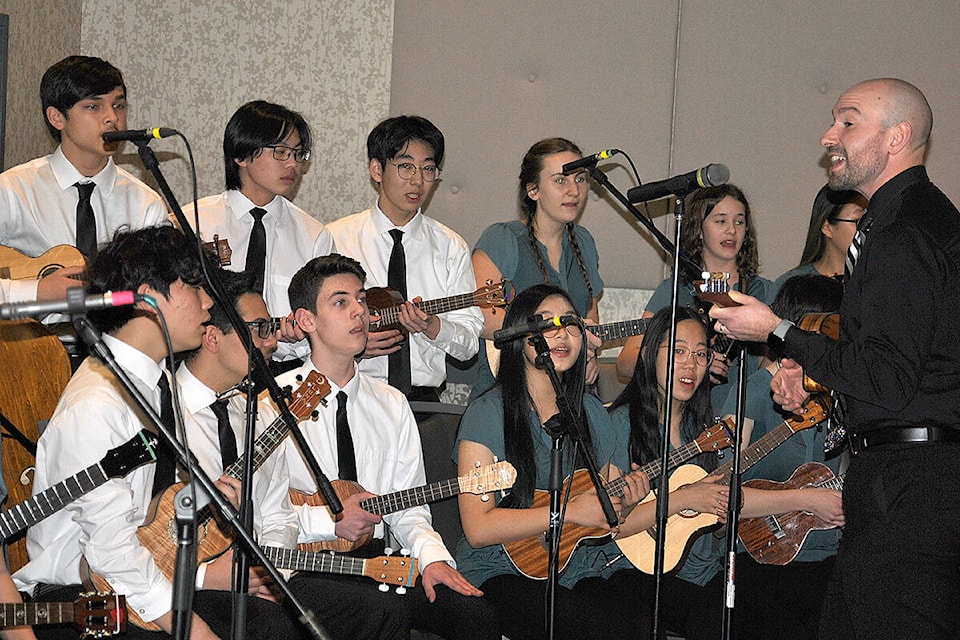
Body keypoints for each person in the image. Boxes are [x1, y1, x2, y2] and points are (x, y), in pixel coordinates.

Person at [710, 78, 960, 639]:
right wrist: (821, 385)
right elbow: (906, 369)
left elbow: (889, 381)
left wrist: (776, 329)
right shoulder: (913, 222)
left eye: (848, 122)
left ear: (897, 137)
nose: (829, 136)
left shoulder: (905, 233)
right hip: (904, 486)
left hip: (909, 496)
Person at [176, 267, 404, 640]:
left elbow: (278, 517)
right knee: (274, 628)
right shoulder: (162, 411)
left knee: (383, 610)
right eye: (260, 328)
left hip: (260, 573)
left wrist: (270, 573)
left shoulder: (260, 413)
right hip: (189, 582)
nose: (271, 341)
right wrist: (206, 575)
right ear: (213, 338)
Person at [279, 254, 498, 640]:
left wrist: (433, 559)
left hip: (379, 561)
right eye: (341, 302)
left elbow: (409, 508)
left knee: (472, 612)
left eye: (362, 300)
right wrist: (327, 521)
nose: (359, 313)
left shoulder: (392, 403)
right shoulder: (275, 403)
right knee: (384, 612)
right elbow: (263, 515)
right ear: (306, 320)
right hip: (305, 566)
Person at [455, 283, 656, 640]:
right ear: (520, 336)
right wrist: (568, 512)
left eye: (570, 323)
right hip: (501, 567)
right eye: (546, 323)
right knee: (597, 628)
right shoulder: (487, 413)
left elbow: (607, 508)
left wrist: (626, 501)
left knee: (641, 617)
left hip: (576, 564)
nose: (561, 333)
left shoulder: (592, 411)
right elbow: (478, 528)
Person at [718, 274, 845, 640]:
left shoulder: (839, 396)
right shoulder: (755, 391)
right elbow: (719, 497)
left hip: (827, 561)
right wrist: (807, 499)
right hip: (760, 561)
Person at [326, 115, 483, 402]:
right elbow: (312, 323)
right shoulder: (335, 239)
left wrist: (432, 327)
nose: (418, 180)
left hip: (423, 403)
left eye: (428, 169)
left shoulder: (450, 247)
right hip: (348, 393)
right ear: (376, 169)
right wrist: (354, 346)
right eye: (406, 166)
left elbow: (469, 344)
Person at [605, 306, 733, 640]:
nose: (690, 365)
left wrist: (720, 513)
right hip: (635, 573)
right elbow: (607, 526)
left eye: (701, 354)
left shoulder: (704, 428)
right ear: (648, 354)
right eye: (678, 351)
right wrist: (682, 499)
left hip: (704, 573)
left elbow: (716, 531)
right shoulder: (619, 424)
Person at [0, 55, 166, 305]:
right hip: (28, 341)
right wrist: (35, 292)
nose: (111, 117)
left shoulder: (145, 204)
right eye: (93, 106)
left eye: (118, 106)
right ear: (57, 118)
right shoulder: (12, 190)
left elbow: (156, 296)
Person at [181, 100, 335, 370]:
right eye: (280, 152)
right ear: (240, 155)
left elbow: (324, 320)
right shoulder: (194, 222)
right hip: (209, 369)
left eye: (298, 154)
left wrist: (300, 336)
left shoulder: (314, 236)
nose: (293, 165)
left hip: (284, 371)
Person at [471, 137, 604, 398]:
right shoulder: (502, 238)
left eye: (580, 179)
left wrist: (587, 353)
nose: (574, 190)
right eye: (560, 180)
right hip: (509, 389)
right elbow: (484, 317)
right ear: (533, 191)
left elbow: (590, 312)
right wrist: (561, 332)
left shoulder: (584, 241)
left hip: (569, 388)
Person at [616, 184, 771, 409]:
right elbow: (625, 363)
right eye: (720, 221)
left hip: (741, 417)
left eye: (739, 221)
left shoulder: (761, 292)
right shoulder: (674, 290)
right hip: (684, 418)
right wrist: (693, 363)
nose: (731, 230)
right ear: (699, 229)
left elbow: (770, 372)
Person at [766, 185, 867, 301]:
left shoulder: (880, 279)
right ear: (827, 228)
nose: (867, 229)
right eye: (859, 221)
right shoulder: (791, 286)